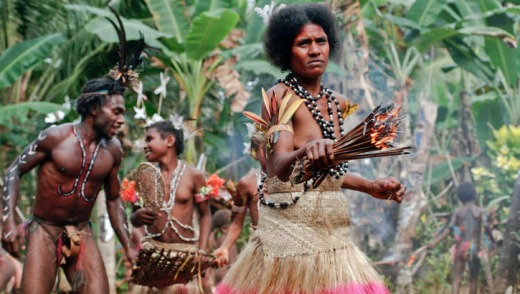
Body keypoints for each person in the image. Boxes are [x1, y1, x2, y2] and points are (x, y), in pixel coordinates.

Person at [217, 3, 405, 293]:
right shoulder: (279, 97)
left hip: (332, 233)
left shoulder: (337, 103)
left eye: (321, 41)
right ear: (285, 52)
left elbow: (328, 174)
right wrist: (307, 148)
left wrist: (370, 185)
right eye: (303, 43)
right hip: (290, 238)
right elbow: (278, 167)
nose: (315, 50)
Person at [1, 76, 138, 293]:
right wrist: (7, 222)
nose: (122, 120)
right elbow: (14, 171)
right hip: (45, 229)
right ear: (94, 108)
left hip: (82, 230)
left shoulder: (113, 150)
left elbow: (113, 199)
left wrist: (129, 245)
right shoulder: (55, 137)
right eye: (116, 111)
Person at [130, 120, 212, 292]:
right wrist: (136, 219)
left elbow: (205, 215)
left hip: (185, 256)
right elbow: (135, 220)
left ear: (169, 140)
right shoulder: (144, 178)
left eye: (149, 139)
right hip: (155, 257)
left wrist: (202, 252)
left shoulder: (194, 176)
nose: (145, 145)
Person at [427, 182, 491, 294]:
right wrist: (493, 239)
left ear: (460, 197)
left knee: (457, 280)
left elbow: (449, 229)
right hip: (474, 247)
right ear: (474, 195)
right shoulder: (480, 211)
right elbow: (486, 226)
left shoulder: (458, 211)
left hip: (461, 247)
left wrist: (434, 242)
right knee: (473, 280)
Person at [213, 132, 266, 267]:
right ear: (254, 152)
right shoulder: (247, 183)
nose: (269, 152)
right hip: (260, 254)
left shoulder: (296, 178)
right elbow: (237, 223)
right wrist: (224, 247)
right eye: (263, 147)